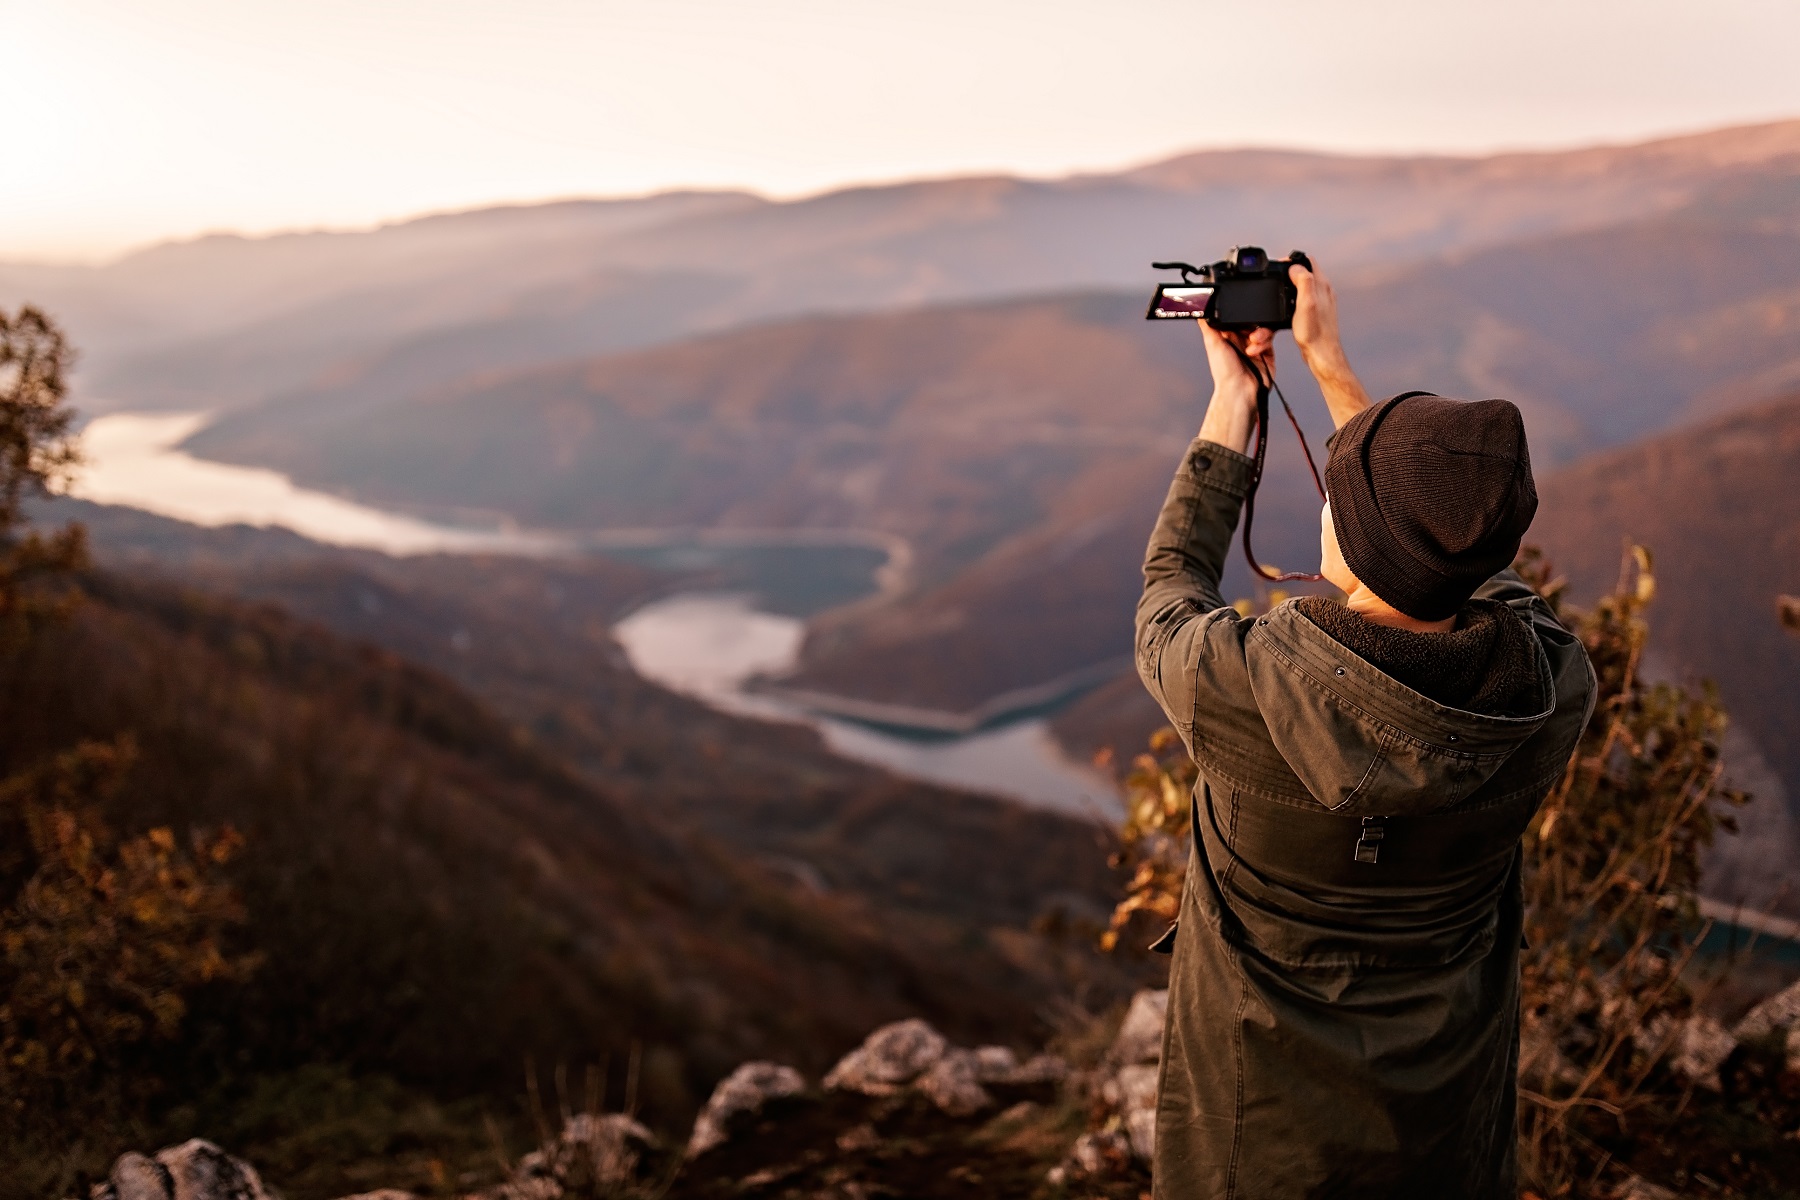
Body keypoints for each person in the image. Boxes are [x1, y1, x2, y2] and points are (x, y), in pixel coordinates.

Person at [1134, 262, 1597, 1199]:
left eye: (1343, 497)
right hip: (1446, 1120)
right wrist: (1329, 365)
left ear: (1356, 536)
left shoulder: (1243, 687)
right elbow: (1463, 547)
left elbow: (1171, 584)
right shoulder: (1551, 688)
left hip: (1255, 1137)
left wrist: (1233, 404)